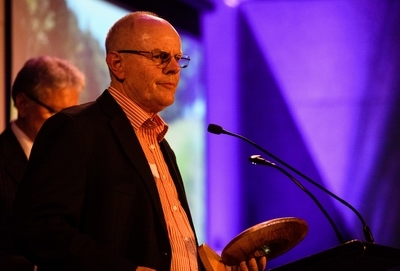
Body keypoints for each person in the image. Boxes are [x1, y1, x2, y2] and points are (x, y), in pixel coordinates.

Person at [13, 12, 267, 271]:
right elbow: (39, 229)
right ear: (117, 64)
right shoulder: (75, 129)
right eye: (160, 56)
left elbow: (169, 250)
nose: (174, 67)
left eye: (178, 58)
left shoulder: (161, 143)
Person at [0, 56, 85, 270]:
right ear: (22, 104)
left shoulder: (78, 159)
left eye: (71, 114)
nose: (66, 124)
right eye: (55, 113)